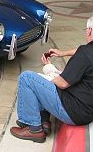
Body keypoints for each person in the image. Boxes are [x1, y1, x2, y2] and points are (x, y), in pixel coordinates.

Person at [10, 15, 93, 143]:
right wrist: (62, 53)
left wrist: (49, 69)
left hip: (75, 111)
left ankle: (33, 128)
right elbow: (83, 52)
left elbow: (63, 83)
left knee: (27, 78)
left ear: (89, 31)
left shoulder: (85, 54)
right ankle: (44, 121)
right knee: (42, 83)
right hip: (88, 110)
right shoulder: (86, 52)